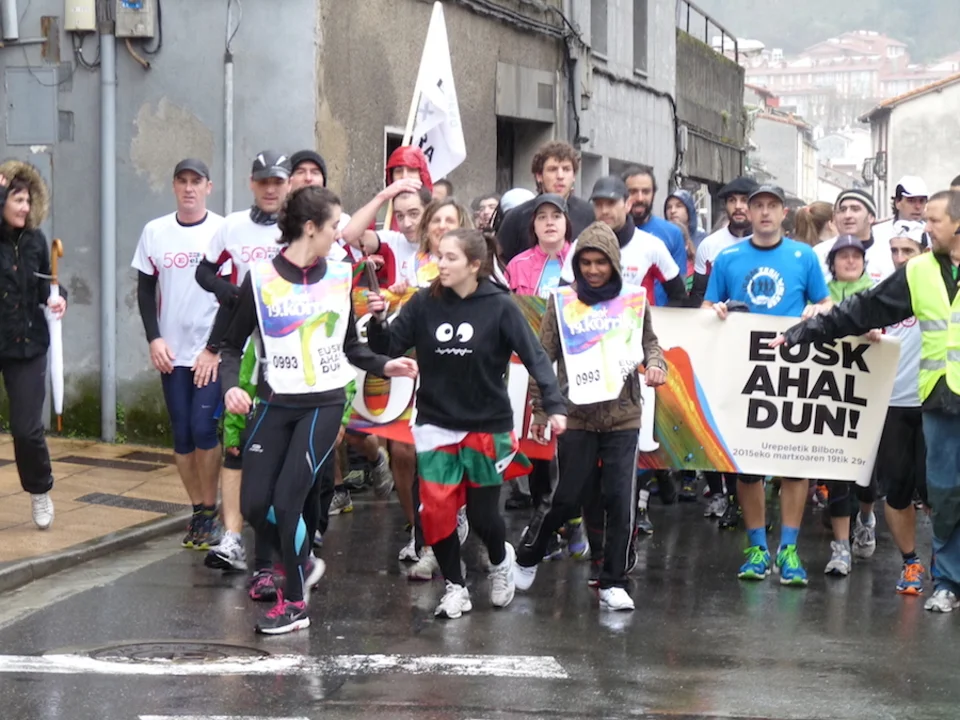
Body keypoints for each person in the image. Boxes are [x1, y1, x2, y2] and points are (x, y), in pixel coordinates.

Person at [220, 185, 416, 633]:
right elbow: (230, 346)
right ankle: (302, 560)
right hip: (273, 403)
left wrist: (385, 364)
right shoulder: (261, 277)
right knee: (254, 503)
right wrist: (231, 388)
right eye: (333, 226)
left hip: (324, 404)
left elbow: (350, 347)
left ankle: (294, 604)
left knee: (288, 499)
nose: (338, 234)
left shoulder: (340, 276)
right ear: (310, 228)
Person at [771, 190, 960, 612]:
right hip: (940, 399)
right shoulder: (919, 271)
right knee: (944, 493)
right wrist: (807, 331)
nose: (927, 228)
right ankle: (947, 581)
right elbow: (865, 309)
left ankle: (950, 577)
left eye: (934, 221)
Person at [366, 228, 567, 619]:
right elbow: (386, 346)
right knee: (435, 514)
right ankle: (455, 587)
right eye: (438, 256)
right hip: (435, 423)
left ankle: (500, 560)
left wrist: (554, 403)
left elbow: (535, 357)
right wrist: (378, 320)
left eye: (450, 258)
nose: (440, 264)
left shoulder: (500, 306)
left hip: (486, 425)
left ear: (475, 265)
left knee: (481, 516)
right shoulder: (423, 302)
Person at [516, 221, 667, 610]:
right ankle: (529, 552)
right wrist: (540, 408)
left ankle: (613, 580)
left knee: (620, 500)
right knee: (567, 498)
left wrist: (655, 364)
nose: (594, 270)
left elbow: (650, 343)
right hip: (576, 416)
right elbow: (542, 358)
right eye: (586, 262)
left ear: (614, 263)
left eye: (601, 262)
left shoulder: (633, 300)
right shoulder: (562, 301)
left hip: (623, 416)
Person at [703, 184, 831, 587]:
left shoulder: (804, 256)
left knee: (794, 464)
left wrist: (816, 310)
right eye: (756, 205)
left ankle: (788, 549)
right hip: (744, 372)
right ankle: (757, 548)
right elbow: (706, 308)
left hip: (792, 373)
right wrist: (716, 310)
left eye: (770, 206)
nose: (762, 212)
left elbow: (826, 303)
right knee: (748, 467)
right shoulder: (728, 258)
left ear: (783, 212)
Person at [194, 150, 292, 572]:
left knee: (285, 449)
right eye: (263, 181)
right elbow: (203, 271)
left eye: (277, 182)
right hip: (245, 345)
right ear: (252, 183)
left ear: (288, 185)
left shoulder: (299, 226)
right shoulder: (232, 225)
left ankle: (294, 536)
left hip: (288, 349)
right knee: (233, 438)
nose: (270, 189)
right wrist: (228, 291)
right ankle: (232, 538)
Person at [132, 158, 226, 551]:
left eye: (196, 182)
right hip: (172, 353)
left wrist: (214, 348)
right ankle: (198, 511)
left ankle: (212, 509)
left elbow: (233, 295)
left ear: (208, 187)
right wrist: (154, 339)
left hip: (209, 353)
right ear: (173, 186)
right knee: (183, 434)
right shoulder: (155, 232)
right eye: (182, 181)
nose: (189, 188)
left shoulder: (222, 231)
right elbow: (144, 290)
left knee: (204, 428)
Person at [0, 161, 66, 530]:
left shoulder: (36, 241)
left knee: (27, 430)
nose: (25, 207)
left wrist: (58, 298)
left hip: (28, 346)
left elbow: (46, 285)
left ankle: (40, 490)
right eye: (17, 199)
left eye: (28, 200)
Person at [819, 235, 879, 576]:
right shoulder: (821, 294)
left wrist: (878, 331)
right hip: (832, 394)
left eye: (857, 255)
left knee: (866, 477)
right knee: (838, 473)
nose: (851, 261)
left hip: (868, 394)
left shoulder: (876, 293)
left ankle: (866, 518)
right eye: (844, 256)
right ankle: (841, 547)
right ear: (833, 263)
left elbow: (891, 328)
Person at [876, 220, 929, 595]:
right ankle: (911, 561)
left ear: (923, 252)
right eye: (894, 250)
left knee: (937, 491)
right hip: (891, 404)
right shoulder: (881, 291)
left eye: (907, 250)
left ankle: (945, 560)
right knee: (895, 491)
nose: (899, 258)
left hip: (933, 403)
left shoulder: (942, 286)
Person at [560, 176, 687, 305]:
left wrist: (652, 317)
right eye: (598, 204)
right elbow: (562, 297)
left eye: (611, 203)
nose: (604, 211)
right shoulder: (580, 245)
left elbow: (679, 297)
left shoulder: (652, 246)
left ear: (628, 204)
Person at [497, 142, 596, 263]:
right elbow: (500, 262)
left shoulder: (590, 215)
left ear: (574, 176)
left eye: (566, 169)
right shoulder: (517, 216)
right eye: (552, 169)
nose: (560, 176)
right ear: (539, 176)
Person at [622, 165, 688, 305]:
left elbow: (680, 291)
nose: (640, 198)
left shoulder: (672, 234)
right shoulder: (608, 233)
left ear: (654, 194)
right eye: (633, 191)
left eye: (646, 191)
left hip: (660, 315)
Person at [504, 193, 573, 298]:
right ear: (533, 225)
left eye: (556, 216)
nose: (549, 222)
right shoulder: (517, 265)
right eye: (542, 217)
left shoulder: (580, 259)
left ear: (566, 222)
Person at [872, 176, 928, 245]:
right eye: (911, 201)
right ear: (897, 202)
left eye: (922, 201)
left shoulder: (932, 234)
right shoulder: (877, 234)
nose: (918, 206)